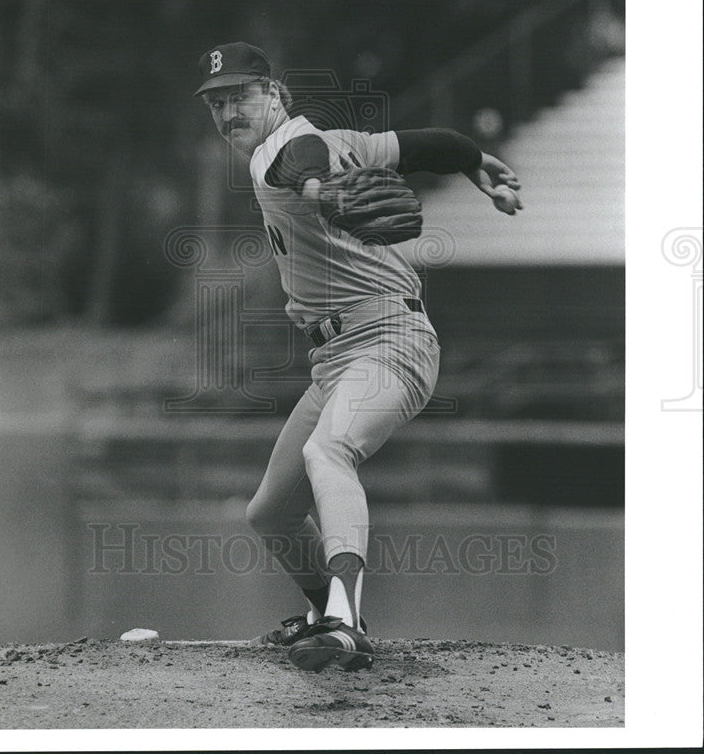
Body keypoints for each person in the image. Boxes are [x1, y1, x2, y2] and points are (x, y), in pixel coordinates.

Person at [195, 41, 522, 672]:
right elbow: (428, 143)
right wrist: (477, 162)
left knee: (328, 451)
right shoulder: (348, 142)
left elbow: (299, 156)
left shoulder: (283, 150)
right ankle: (325, 615)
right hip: (338, 357)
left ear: (276, 95)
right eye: (216, 101)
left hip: (390, 341)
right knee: (271, 512)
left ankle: (345, 625)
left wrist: (313, 180)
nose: (228, 111)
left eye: (240, 95)